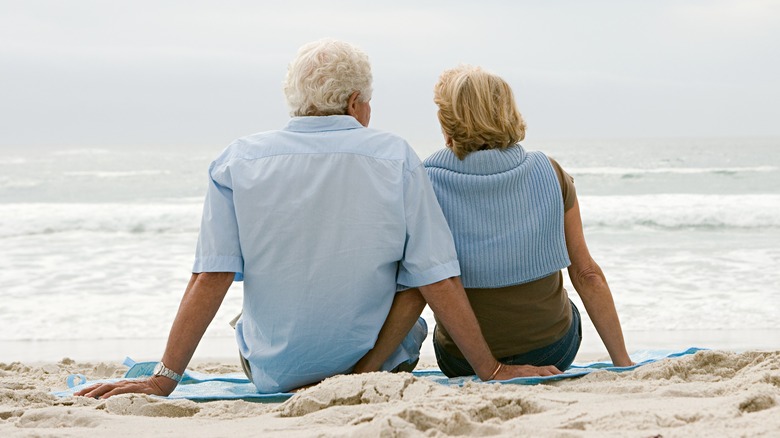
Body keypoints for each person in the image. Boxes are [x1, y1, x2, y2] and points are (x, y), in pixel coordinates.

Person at [76, 41, 560, 399]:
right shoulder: (396, 157)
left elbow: (211, 276)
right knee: (404, 269)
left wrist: (164, 378)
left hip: (273, 373)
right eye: (367, 101)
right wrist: (491, 370)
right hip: (381, 368)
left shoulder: (237, 161)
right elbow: (436, 276)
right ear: (355, 103)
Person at [423, 65, 633, 377]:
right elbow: (586, 273)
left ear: (447, 121)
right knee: (567, 310)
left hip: (463, 360)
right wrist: (624, 365)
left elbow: (424, 282)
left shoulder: (425, 182)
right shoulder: (548, 171)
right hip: (552, 351)